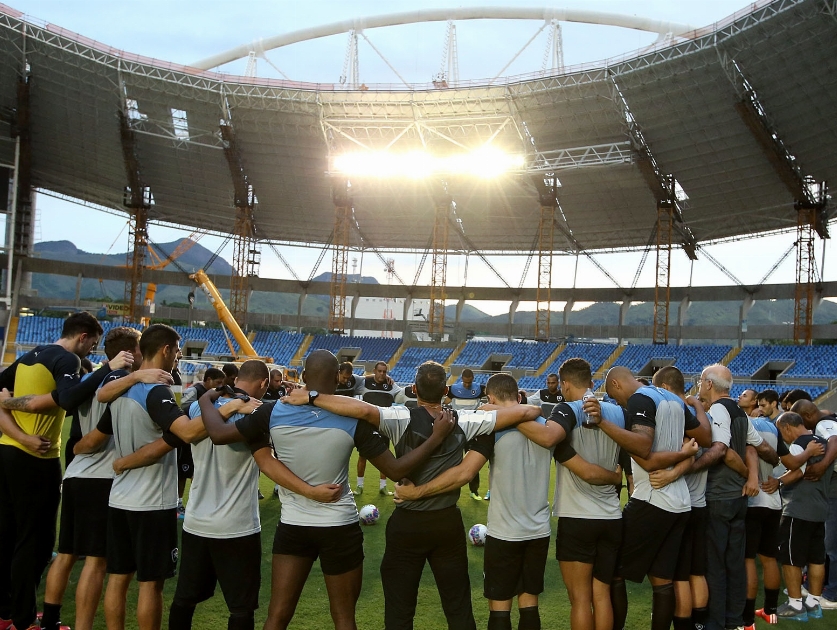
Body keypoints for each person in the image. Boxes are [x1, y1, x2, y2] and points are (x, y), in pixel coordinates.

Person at [201, 350, 455, 630]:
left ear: (305, 378)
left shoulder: (272, 411)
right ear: (338, 379)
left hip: (294, 525)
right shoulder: (353, 418)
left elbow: (217, 434)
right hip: (339, 526)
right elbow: (395, 470)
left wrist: (205, 398)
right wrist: (435, 438)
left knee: (277, 617)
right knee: (344, 619)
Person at [286, 359, 542, 630]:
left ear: (413, 390)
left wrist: (312, 397)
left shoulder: (400, 417)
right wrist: (491, 408)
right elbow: (529, 411)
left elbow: (360, 408)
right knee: (458, 609)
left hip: (407, 524)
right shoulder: (466, 419)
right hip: (446, 524)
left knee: (399, 610)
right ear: (446, 392)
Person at [394, 371, 601, 630]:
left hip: (504, 532)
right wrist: (614, 477)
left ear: (490, 397)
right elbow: (585, 469)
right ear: (517, 395)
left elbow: (464, 473)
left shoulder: (491, 429)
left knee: (500, 609)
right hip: (538, 531)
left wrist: (418, 492)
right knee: (529, 606)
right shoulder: (546, 425)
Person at [169, 359, 333, 630]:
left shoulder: (201, 406)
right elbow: (267, 462)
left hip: (196, 521)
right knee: (241, 608)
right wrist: (310, 490)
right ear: (264, 384)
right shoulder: (257, 414)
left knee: (185, 599)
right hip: (237, 526)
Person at [35, 327, 171, 630]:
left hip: (76, 474)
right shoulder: (119, 380)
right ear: (133, 351)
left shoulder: (90, 377)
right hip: (101, 476)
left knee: (67, 553)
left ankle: (51, 621)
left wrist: (78, 447)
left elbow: (81, 432)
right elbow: (98, 434)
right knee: (97, 561)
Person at [85, 324, 207, 630]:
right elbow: (188, 433)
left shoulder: (122, 388)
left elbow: (102, 397)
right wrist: (225, 408)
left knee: (118, 577)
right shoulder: (155, 392)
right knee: (151, 584)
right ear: (165, 350)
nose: (179, 357)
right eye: (178, 351)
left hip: (120, 499)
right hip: (152, 503)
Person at [0, 311, 103, 630]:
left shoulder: (32, 354)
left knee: (9, 536)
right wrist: (108, 371)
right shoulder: (67, 359)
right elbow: (70, 398)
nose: (91, 352)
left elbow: (1, 399)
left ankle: (6, 615)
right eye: (93, 345)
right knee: (37, 543)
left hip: (7, 453)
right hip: (36, 461)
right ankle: (24, 620)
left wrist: (18, 435)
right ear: (82, 336)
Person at [595, 366, 711, 630]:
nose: (616, 402)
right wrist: (698, 413)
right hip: (681, 502)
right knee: (662, 579)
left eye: (613, 396)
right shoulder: (671, 399)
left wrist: (603, 422)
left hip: (653, 499)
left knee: (611, 568)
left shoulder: (640, 398)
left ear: (615, 384)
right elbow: (704, 436)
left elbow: (644, 451)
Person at [689, 364, 778, 630]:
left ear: (708, 384)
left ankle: (716, 622)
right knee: (735, 562)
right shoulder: (741, 412)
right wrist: (752, 476)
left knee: (715, 563)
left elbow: (721, 450)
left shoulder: (717, 410)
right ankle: (734, 619)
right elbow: (761, 449)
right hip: (740, 499)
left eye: (701, 381)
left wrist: (687, 468)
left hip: (719, 495)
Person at [549, 359, 626, 630]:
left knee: (580, 600)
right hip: (611, 516)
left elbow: (586, 471)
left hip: (578, 516)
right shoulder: (616, 412)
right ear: (591, 383)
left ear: (565, 384)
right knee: (601, 595)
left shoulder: (567, 409)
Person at [647, 366, 712, 630]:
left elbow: (694, 452)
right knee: (696, 571)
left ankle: (686, 626)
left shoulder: (677, 414)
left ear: (662, 387)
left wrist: (671, 474)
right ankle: (698, 625)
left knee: (678, 576)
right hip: (699, 502)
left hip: (681, 502)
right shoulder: (696, 416)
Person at [774, 412, 833, 620]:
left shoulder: (800, 445)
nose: (783, 437)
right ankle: (814, 603)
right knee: (816, 558)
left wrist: (778, 482)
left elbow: (796, 470)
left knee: (791, 558)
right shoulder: (823, 443)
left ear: (787, 427)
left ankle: (795, 605)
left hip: (798, 508)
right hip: (820, 508)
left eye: (782, 432)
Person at [790, 399, 837, 609]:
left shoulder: (822, 424)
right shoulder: (827, 418)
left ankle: (832, 593)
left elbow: (834, 440)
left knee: (830, 544)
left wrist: (822, 465)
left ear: (808, 417)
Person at [742, 411, 785, 628]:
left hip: (753, 500)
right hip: (774, 501)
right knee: (769, 558)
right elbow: (787, 461)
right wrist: (779, 480)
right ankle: (770, 610)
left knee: (748, 560)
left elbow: (747, 452)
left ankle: (747, 620)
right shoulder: (773, 428)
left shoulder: (745, 424)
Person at [176, 368, 226, 517]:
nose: (219, 386)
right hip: (188, 437)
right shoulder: (194, 391)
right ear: (208, 379)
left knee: (197, 471)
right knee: (183, 472)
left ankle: (199, 502)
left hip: (202, 437)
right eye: (217, 383)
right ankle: (178, 504)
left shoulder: (214, 394)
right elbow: (180, 409)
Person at [353, 361, 402, 496]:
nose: (382, 374)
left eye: (384, 371)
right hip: (366, 426)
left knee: (385, 456)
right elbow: (352, 382)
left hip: (383, 426)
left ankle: (383, 487)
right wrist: (367, 377)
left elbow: (403, 394)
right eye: (379, 371)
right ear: (374, 371)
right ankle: (359, 486)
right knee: (363, 456)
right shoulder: (364, 384)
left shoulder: (391, 386)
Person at [446, 368, 487, 500]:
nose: (468, 385)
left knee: (473, 462)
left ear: (473, 379)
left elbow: (495, 393)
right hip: (457, 431)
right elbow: (444, 400)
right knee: (453, 461)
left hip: (473, 431)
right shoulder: (453, 389)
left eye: (470, 382)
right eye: (465, 382)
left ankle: (474, 491)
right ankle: (451, 491)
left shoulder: (480, 389)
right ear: (462, 378)